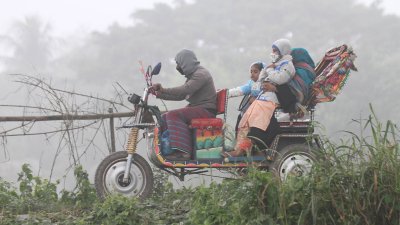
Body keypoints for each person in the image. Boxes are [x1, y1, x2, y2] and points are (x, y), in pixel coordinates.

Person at [151, 49, 217, 160]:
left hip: (206, 110)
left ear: (185, 62)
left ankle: (184, 152)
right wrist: (159, 94)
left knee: (173, 115)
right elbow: (180, 96)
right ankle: (168, 149)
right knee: (165, 117)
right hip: (198, 108)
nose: (177, 67)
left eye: (178, 64)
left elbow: (184, 90)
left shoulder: (201, 74)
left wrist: (163, 89)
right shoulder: (192, 76)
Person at [222, 79, 279, 157]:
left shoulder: (273, 95)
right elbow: (241, 90)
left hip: (262, 118)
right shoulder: (259, 90)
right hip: (253, 116)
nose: (264, 86)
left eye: (267, 84)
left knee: (253, 132)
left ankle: (240, 151)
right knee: (244, 127)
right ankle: (240, 150)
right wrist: (224, 93)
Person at [228, 62, 265, 134]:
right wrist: (226, 93)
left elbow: (268, 97)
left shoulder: (266, 84)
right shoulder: (251, 84)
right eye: (251, 72)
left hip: (259, 114)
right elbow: (239, 90)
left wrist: (256, 100)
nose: (252, 74)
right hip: (248, 112)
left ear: (262, 72)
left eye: (255, 72)